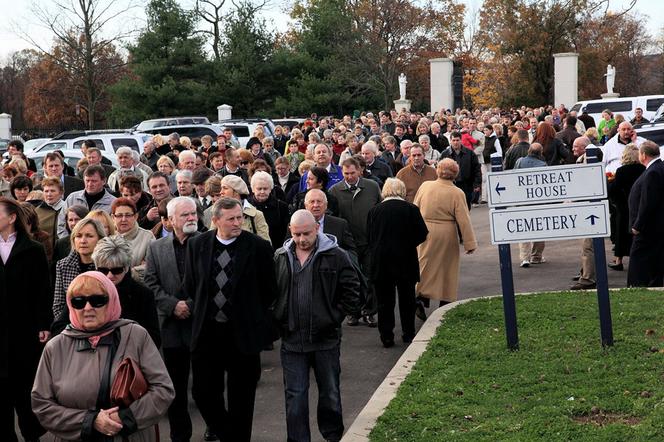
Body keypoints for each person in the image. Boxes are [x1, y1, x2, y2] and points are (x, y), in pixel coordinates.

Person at [32, 271, 174, 441]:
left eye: (97, 300)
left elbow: (163, 390)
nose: (87, 308)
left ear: (112, 301)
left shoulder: (135, 336)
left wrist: (123, 418)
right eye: (78, 302)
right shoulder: (56, 347)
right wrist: (89, 421)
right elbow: (41, 404)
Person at [183, 197, 278, 442]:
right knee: (203, 393)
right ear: (215, 221)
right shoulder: (198, 244)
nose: (237, 223)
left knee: (242, 399)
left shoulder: (257, 247)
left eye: (240, 218)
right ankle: (228, 433)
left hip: (243, 334)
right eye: (231, 219)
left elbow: (269, 289)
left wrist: (253, 316)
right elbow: (192, 285)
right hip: (207, 332)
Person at [273, 209, 361, 442]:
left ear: (317, 229)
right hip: (292, 341)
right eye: (297, 234)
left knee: (330, 394)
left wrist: (334, 317)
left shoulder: (336, 256)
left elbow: (352, 291)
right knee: (295, 397)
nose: (302, 240)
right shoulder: (281, 256)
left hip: (325, 340)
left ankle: (332, 436)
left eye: (306, 234)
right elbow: (274, 292)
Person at [145, 196, 203, 442]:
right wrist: (172, 305)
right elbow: (150, 282)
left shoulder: (207, 243)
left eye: (193, 213)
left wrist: (189, 305)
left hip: (201, 326)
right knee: (175, 389)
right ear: (169, 221)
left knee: (204, 388)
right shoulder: (156, 248)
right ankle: (180, 435)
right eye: (185, 215)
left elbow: (211, 281)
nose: (191, 218)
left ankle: (214, 426)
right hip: (170, 328)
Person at [0, 198, 51, 442]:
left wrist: (44, 323)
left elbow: (43, 289)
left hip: (24, 329)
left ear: (11, 218)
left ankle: (32, 434)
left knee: (25, 389)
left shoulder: (33, 249)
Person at [51, 235, 161, 347]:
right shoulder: (84, 289)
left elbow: (154, 338)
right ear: (96, 267)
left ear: (126, 268)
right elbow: (59, 328)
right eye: (103, 270)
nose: (110, 276)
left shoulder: (142, 294)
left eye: (116, 270)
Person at [367, 178, 428, 347]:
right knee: (407, 299)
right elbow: (422, 233)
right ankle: (408, 333)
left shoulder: (374, 211)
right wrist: (408, 244)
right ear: (402, 190)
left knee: (384, 301)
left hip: (382, 261)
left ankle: (386, 336)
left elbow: (369, 236)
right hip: (405, 260)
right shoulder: (411, 209)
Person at [414, 159, 476, 313]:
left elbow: (415, 208)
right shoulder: (456, 192)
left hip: (424, 230)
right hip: (446, 233)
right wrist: (470, 243)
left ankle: (420, 297)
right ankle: (445, 302)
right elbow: (464, 219)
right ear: (455, 174)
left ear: (438, 170)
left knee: (424, 265)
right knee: (447, 268)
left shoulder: (425, 186)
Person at [329, 157, 382, 326]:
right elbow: (333, 216)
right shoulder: (335, 191)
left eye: (352, 173)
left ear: (360, 171)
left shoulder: (372, 187)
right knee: (351, 278)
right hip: (348, 243)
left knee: (369, 277)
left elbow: (380, 209)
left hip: (369, 240)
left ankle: (369, 311)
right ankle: (353, 312)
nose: (350, 177)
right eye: (346, 174)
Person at [627, 141, 664, 287]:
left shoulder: (653, 172)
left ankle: (637, 286)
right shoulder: (657, 168)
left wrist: (638, 225)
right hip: (654, 226)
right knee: (654, 258)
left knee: (638, 257)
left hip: (648, 227)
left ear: (643, 155)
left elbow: (648, 202)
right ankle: (653, 282)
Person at [607, 144, 645, 271]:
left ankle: (619, 260)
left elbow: (615, 189)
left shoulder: (621, 171)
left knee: (621, 234)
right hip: (639, 206)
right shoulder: (643, 169)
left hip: (624, 207)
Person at [57, 165, 116, 238]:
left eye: (94, 181)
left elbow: (115, 229)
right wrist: (72, 243)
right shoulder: (72, 198)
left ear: (104, 181)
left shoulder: (113, 203)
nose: (90, 184)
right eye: (87, 180)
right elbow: (61, 225)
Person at [514, 144, 548, 267]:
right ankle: (536, 256)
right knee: (539, 227)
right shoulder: (543, 165)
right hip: (537, 201)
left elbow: (514, 177)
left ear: (529, 151)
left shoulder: (519, 162)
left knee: (523, 228)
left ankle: (524, 258)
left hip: (522, 200)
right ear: (541, 152)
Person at [218, 175, 271, 244]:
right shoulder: (218, 212)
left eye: (225, 188)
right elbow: (211, 240)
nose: (221, 192)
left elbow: (266, 245)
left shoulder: (256, 215)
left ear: (236, 192)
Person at [111, 198, 155, 280]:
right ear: (113, 217)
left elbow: (152, 266)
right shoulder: (107, 236)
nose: (124, 219)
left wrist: (132, 272)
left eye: (128, 215)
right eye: (119, 215)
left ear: (135, 216)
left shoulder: (147, 237)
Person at [303, 189, 356, 256]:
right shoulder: (296, 226)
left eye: (319, 201)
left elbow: (352, 252)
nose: (316, 205)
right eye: (312, 202)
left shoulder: (340, 225)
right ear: (306, 206)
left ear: (326, 205)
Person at [440, 132, 482, 209]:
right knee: (452, 207)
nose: (455, 142)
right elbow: (440, 171)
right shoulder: (445, 154)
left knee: (466, 207)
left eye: (457, 140)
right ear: (450, 141)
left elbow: (476, 169)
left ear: (461, 140)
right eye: (453, 140)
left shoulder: (470, 153)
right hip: (450, 184)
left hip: (466, 185)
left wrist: (477, 183)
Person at [248, 171, 289, 249]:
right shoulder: (246, 206)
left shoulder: (281, 207)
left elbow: (286, 232)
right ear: (253, 189)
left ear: (271, 189)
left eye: (265, 188)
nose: (262, 192)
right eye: (259, 189)